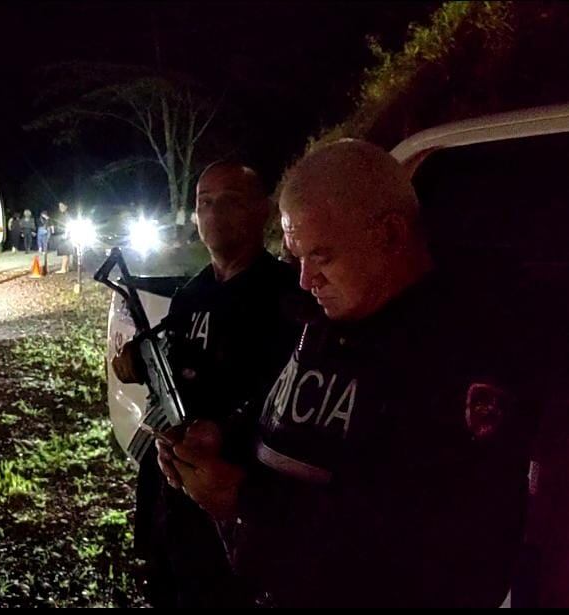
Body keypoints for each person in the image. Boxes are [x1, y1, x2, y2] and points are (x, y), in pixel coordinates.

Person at [157, 140, 533, 607]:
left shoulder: (458, 355)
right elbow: (296, 415)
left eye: (322, 256)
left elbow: (441, 546)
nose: (305, 280)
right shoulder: (331, 319)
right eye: (296, 257)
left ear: (391, 236)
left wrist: (247, 500)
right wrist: (225, 437)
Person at [112, 161, 306, 607]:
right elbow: (178, 363)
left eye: (231, 201)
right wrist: (140, 362)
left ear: (264, 211)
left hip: (237, 498)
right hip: (175, 487)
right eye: (204, 202)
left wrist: (228, 433)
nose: (214, 213)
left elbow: (289, 396)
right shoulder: (192, 292)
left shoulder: (284, 294)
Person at [53, 202, 72, 274]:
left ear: (66, 206)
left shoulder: (67, 215)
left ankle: (63, 268)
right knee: (65, 252)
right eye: (59, 206)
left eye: (62, 206)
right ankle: (66, 268)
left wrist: (66, 234)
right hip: (63, 234)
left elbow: (68, 225)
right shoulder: (62, 215)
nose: (60, 207)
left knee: (65, 252)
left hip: (65, 235)